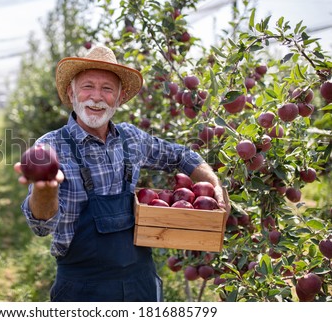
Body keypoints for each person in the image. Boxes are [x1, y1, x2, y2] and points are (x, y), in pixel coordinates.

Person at [14, 45, 229, 302]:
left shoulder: (131, 138)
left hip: (141, 282)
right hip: (82, 287)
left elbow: (182, 156)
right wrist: (44, 189)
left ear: (119, 97)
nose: (96, 97)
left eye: (107, 89)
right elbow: (40, 226)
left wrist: (212, 184)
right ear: (71, 93)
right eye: (87, 87)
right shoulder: (49, 148)